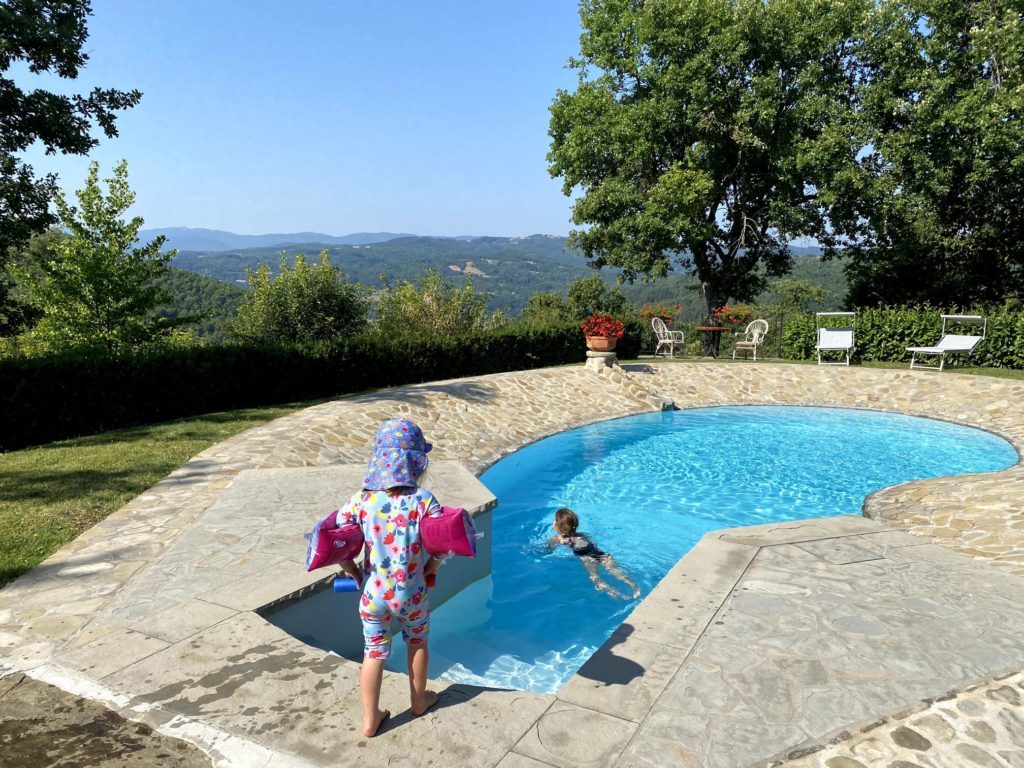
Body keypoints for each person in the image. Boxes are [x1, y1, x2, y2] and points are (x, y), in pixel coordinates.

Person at [337, 418, 444, 737]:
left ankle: (370, 719)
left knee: (374, 652)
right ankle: (418, 701)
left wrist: (352, 570)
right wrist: (431, 568)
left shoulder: (360, 500)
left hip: (373, 593)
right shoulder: (424, 501)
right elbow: (442, 544)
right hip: (411, 593)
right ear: (416, 463)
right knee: (417, 641)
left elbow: (338, 542)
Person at [547, 507, 641, 600]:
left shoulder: (557, 539)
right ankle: (634, 586)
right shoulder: (582, 535)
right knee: (617, 573)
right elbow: (592, 543)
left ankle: (618, 594)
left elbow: (549, 550)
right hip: (602, 555)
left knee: (596, 580)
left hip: (588, 559)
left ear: (557, 525)